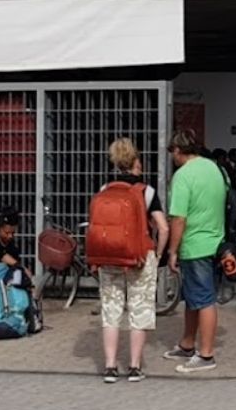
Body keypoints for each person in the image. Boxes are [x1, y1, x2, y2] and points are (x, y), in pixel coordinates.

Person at [96, 138, 168, 383]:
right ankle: (135, 366)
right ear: (136, 160)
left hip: (110, 256)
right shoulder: (146, 192)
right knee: (140, 309)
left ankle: (109, 366)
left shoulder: (105, 190)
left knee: (111, 309)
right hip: (140, 256)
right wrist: (157, 254)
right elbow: (163, 227)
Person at [163, 130, 227, 374]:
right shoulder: (214, 168)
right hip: (216, 239)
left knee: (204, 299)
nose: (172, 158)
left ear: (178, 151)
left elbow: (179, 218)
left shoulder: (183, 176)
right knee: (193, 297)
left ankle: (206, 354)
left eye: (173, 153)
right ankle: (187, 344)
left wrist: (172, 251)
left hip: (195, 243)